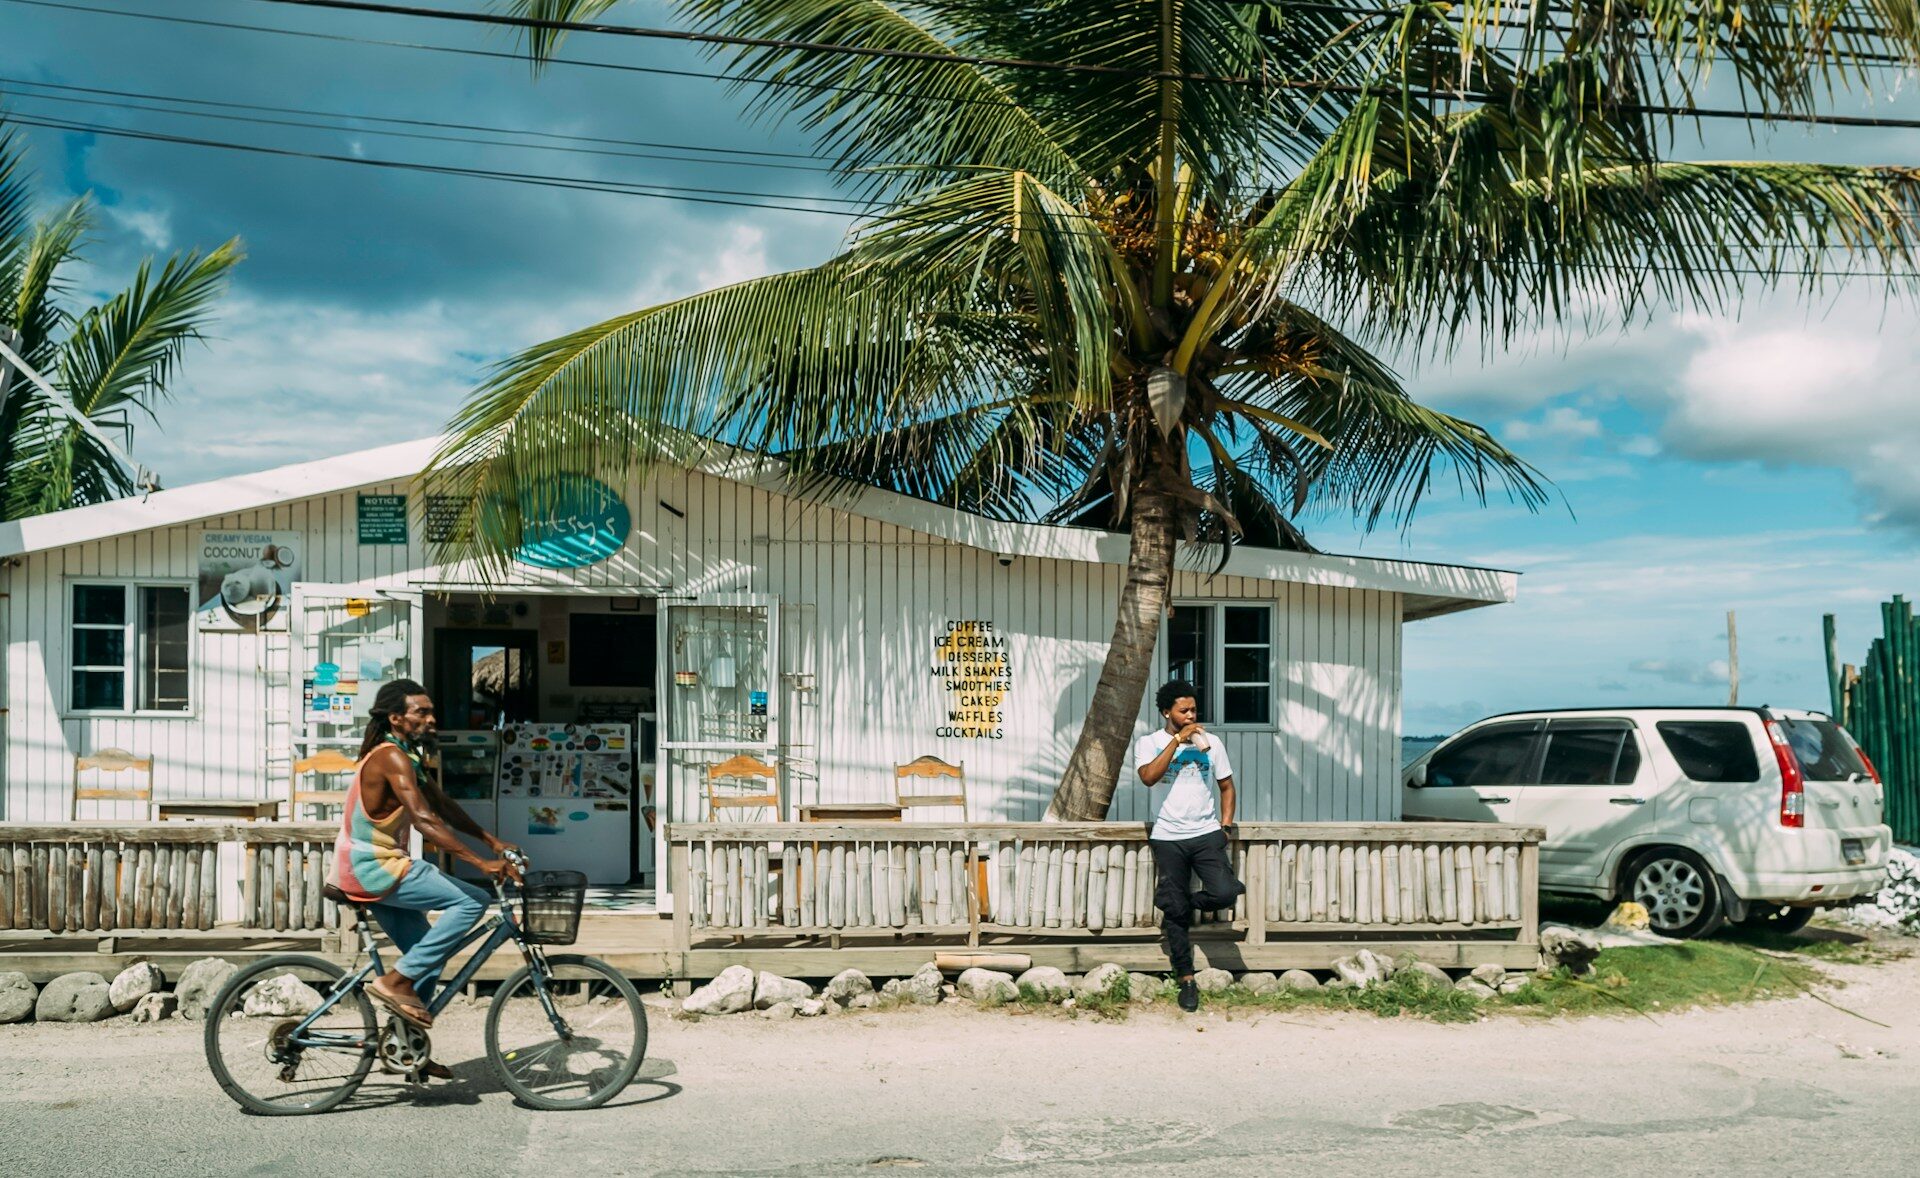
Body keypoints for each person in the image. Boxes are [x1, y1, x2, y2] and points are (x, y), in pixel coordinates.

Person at [331, 679, 522, 1044]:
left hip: (372, 870)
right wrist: (481, 864)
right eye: (422, 712)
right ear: (397, 718)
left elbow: (443, 806)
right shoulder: (390, 756)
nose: (432, 719)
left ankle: (407, 1048)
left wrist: (492, 842)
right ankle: (393, 982)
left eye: (431, 711)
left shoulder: (407, 756)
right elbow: (424, 819)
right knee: (474, 900)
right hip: (375, 868)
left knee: (427, 959)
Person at [1135, 679, 1245, 1013]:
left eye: (1194, 710)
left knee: (1225, 892)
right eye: (1183, 710)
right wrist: (1178, 742)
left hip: (1205, 833)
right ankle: (1185, 978)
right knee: (1176, 914)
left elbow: (1227, 787)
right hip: (1168, 836)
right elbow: (1148, 777)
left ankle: (1180, 902)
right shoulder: (1149, 742)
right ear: (1166, 711)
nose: (1190, 715)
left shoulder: (1212, 743)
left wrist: (1224, 827)